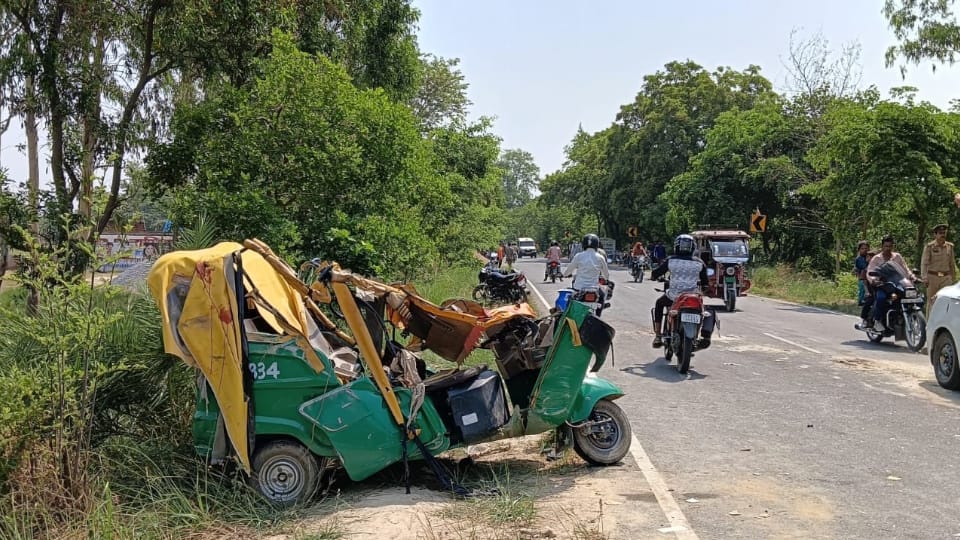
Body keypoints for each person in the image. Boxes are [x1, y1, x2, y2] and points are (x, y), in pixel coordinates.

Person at [650, 234, 708, 348]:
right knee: (703, 312)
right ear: (693, 248)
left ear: (677, 246)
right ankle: (700, 336)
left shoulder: (671, 261)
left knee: (659, 303)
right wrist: (703, 289)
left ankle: (657, 335)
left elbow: (656, 273)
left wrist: (654, 276)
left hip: (673, 297)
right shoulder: (699, 263)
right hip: (692, 298)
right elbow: (705, 282)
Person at [858, 235, 919, 332]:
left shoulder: (897, 256)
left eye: (890, 246)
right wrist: (874, 280)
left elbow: (905, 269)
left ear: (892, 246)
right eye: (886, 246)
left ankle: (904, 318)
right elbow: (870, 271)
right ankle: (877, 321)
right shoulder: (876, 258)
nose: (888, 248)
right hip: (882, 285)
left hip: (897, 283)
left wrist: (913, 277)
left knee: (910, 296)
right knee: (881, 298)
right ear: (882, 247)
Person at [921, 223, 956, 316]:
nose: (943, 235)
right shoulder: (930, 246)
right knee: (932, 301)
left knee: (947, 301)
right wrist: (924, 277)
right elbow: (924, 263)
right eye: (940, 233)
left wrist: (953, 278)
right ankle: (929, 326)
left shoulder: (950, 246)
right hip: (933, 277)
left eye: (944, 233)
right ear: (935, 234)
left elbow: (952, 264)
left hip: (946, 278)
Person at [854, 241, 870, 307]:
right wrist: (867, 262)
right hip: (862, 277)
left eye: (866, 248)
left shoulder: (870, 256)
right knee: (862, 288)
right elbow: (863, 267)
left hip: (870, 277)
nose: (864, 250)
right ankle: (861, 301)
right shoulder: (858, 259)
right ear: (859, 250)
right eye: (862, 248)